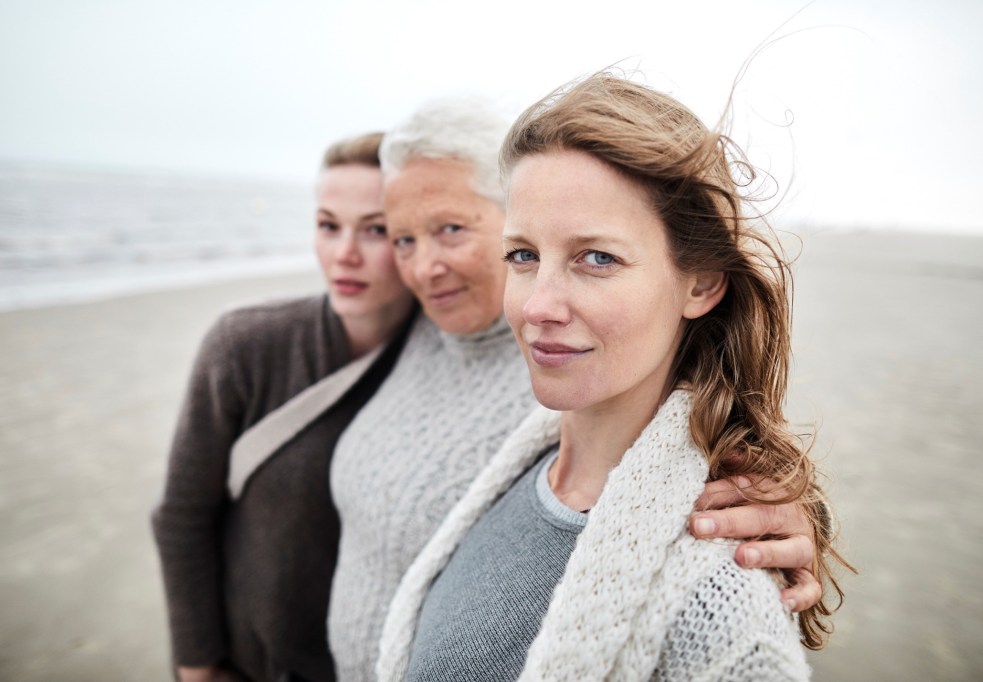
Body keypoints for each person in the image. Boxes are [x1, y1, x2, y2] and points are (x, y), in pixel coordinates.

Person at [329, 96, 834, 681]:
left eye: (597, 258)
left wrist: (802, 508)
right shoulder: (521, 462)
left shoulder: (723, 601)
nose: (538, 305)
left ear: (701, 283)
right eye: (522, 255)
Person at [151, 132, 418, 682]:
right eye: (328, 225)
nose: (344, 253)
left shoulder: (441, 364)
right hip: (247, 664)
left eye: (376, 230)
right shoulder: (245, 344)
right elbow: (182, 516)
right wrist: (197, 666)